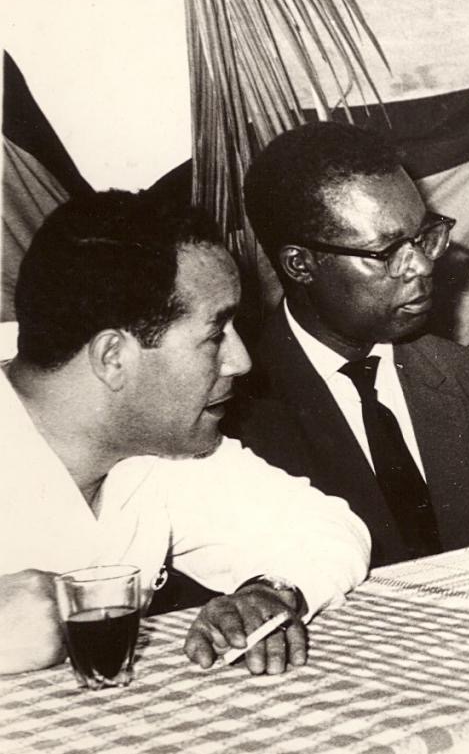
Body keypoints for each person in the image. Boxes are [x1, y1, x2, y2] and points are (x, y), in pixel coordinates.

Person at [0, 192, 371, 676]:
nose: (240, 361)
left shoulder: (158, 446)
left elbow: (327, 527)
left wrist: (267, 590)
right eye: (215, 335)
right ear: (113, 358)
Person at [231, 122, 469, 568]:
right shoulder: (236, 418)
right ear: (300, 264)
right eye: (388, 251)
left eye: (424, 236)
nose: (424, 265)